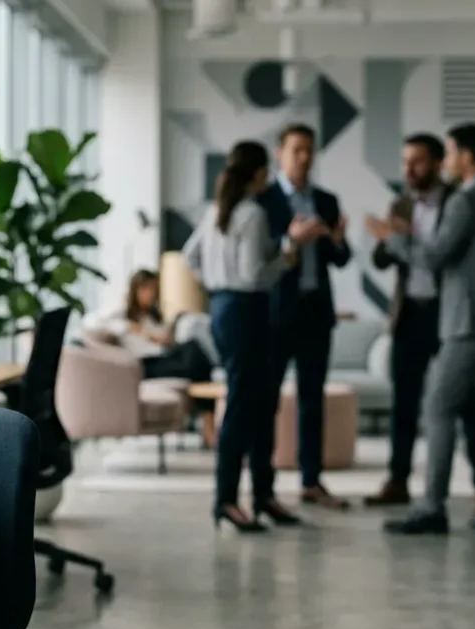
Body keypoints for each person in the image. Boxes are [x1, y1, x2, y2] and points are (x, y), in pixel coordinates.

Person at [367, 123, 475, 535]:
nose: (446, 161)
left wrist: (391, 238)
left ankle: (431, 508)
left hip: (470, 324)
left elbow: (433, 258)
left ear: (468, 157)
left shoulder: (464, 202)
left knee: (438, 407)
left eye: (449, 153)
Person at [182, 140, 330, 533]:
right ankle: (227, 498)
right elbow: (254, 275)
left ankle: (261, 494)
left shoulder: (218, 210)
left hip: (225, 310)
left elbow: (189, 257)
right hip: (247, 311)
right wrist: (288, 254)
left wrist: (215, 284)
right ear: (261, 173)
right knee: (246, 406)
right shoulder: (252, 214)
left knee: (259, 404)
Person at [364, 133, 475, 514]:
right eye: (405, 162)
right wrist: (390, 239)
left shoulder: (460, 202)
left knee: (468, 402)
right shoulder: (401, 204)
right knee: (404, 402)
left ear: (438, 163)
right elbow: (381, 260)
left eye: (417, 161)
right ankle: (398, 480)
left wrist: (411, 240)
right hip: (410, 314)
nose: (408, 169)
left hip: (450, 313)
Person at [256, 123, 354, 510]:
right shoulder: (264, 201)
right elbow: (259, 255)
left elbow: (341, 260)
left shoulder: (326, 201)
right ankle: (264, 484)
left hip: (316, 312)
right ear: (280, 153)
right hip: (277, 314)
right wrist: (290, 241)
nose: (304, 157)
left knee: (313, 401)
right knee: (269, 401)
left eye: (310, 150)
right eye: (296, 149)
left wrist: (337, 241)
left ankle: (311, 481)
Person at [83, 269, 218, 444]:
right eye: (146, 289)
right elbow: (90, 322)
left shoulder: (154, 316)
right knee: (195, 359)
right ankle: (209, 425)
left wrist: (164, 337)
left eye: (153, 289)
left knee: (193, 349)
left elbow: (163, 341)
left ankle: (208, 422)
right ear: (136, 290)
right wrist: (132, 328)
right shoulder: (123, 314)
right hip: (144, 365)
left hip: (163, 357)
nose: (151, 294)